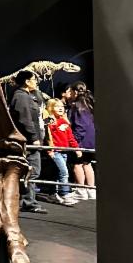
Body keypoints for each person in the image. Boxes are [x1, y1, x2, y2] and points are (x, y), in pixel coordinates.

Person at [10, 70, 47, 214]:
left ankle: (27, 200)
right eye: (34, 79)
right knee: (32, 171)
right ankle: (29, 202)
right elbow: (25, 119)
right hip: (29, 142)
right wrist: (33, 137)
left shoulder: (28, 96)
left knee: (31, 171)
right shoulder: (21, 97)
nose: (36, 82)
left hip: (30, 141)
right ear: (27, 81)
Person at [44, 98, 82, 206]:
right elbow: (47, 137)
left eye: (62, 106)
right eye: (57, 106)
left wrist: (77, 149)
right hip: (55, 151)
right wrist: (50, 150)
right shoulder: (48, 121)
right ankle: (65, 194)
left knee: (57, 172)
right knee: (64, 172)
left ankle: (52, 194)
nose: (60, 108)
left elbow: (71, 138)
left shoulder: (65, 121)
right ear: (51, 108)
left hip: (64, 152)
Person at [67, 81, 97, 199]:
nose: (69, 93)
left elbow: (80, 126)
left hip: (81, 141)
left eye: (71, 91)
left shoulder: (77, 106)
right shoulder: (88, 104)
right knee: (87, 164)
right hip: (90, 141)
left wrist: (74, 142)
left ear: (75, 92)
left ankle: (81, 190)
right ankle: (91, 190)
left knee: (77, 164)